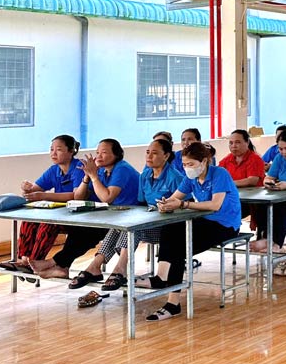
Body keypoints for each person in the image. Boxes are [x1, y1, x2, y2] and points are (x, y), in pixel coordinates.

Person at [143, 142, 242, 321]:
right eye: (184, 165)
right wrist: (165, 204)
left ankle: (173, 303)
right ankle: (161, 276)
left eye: (191, 165)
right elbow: (175, 197)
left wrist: (183, 204)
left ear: (204, 161)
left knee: (179, 248)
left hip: (225, 225)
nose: (187, 168)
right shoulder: (190, 178)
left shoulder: (220, 174)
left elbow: (215, 205)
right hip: (204, 220)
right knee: (171, 228)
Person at [69, 138, 184, 291]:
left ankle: (120, 270)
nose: (149, 156)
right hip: (150, 222)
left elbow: (184, 208)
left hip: (168, 230)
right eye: (147, 152)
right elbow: (142, 204)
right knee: (121, 227)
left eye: (154, 153)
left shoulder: (175, 177)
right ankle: (95, 266)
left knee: (133, 228)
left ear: (166, 155)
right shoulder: (145, 175)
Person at [29, 139, 140, 280]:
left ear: (117, 155)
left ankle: (56, 262)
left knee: (90, 231)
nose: (98, 156)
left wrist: (93, 176)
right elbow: (79, 197)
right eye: (97, 152)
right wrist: (87, 177)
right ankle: (62, 266)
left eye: (104, 153)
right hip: (113, 215)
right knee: (80, 228)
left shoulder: (121, 168)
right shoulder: (101, 171)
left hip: (131, 217)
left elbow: (107, 198)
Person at [0, 136, 85, 275]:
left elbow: (75, 196)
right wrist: (27, 188)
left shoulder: (79, 168)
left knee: (48, 223)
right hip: (63, 213)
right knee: (29, 220)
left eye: (59, 150)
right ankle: (23, 261)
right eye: (51, 149)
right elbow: (35, 189)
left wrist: (44, 195)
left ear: (71, 151)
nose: (53, 153)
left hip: (80, 216)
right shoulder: (54, 170)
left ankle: (35, 261)